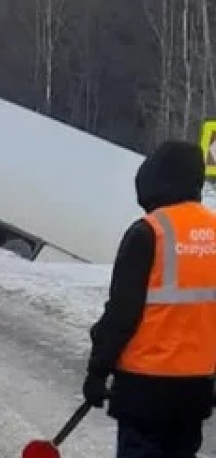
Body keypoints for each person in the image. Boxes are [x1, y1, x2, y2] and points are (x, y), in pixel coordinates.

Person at [82, 140, 216, 458]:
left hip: (144, 388)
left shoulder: (148, 233)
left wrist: (97, 371)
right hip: (195, 388)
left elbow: (121, 315)